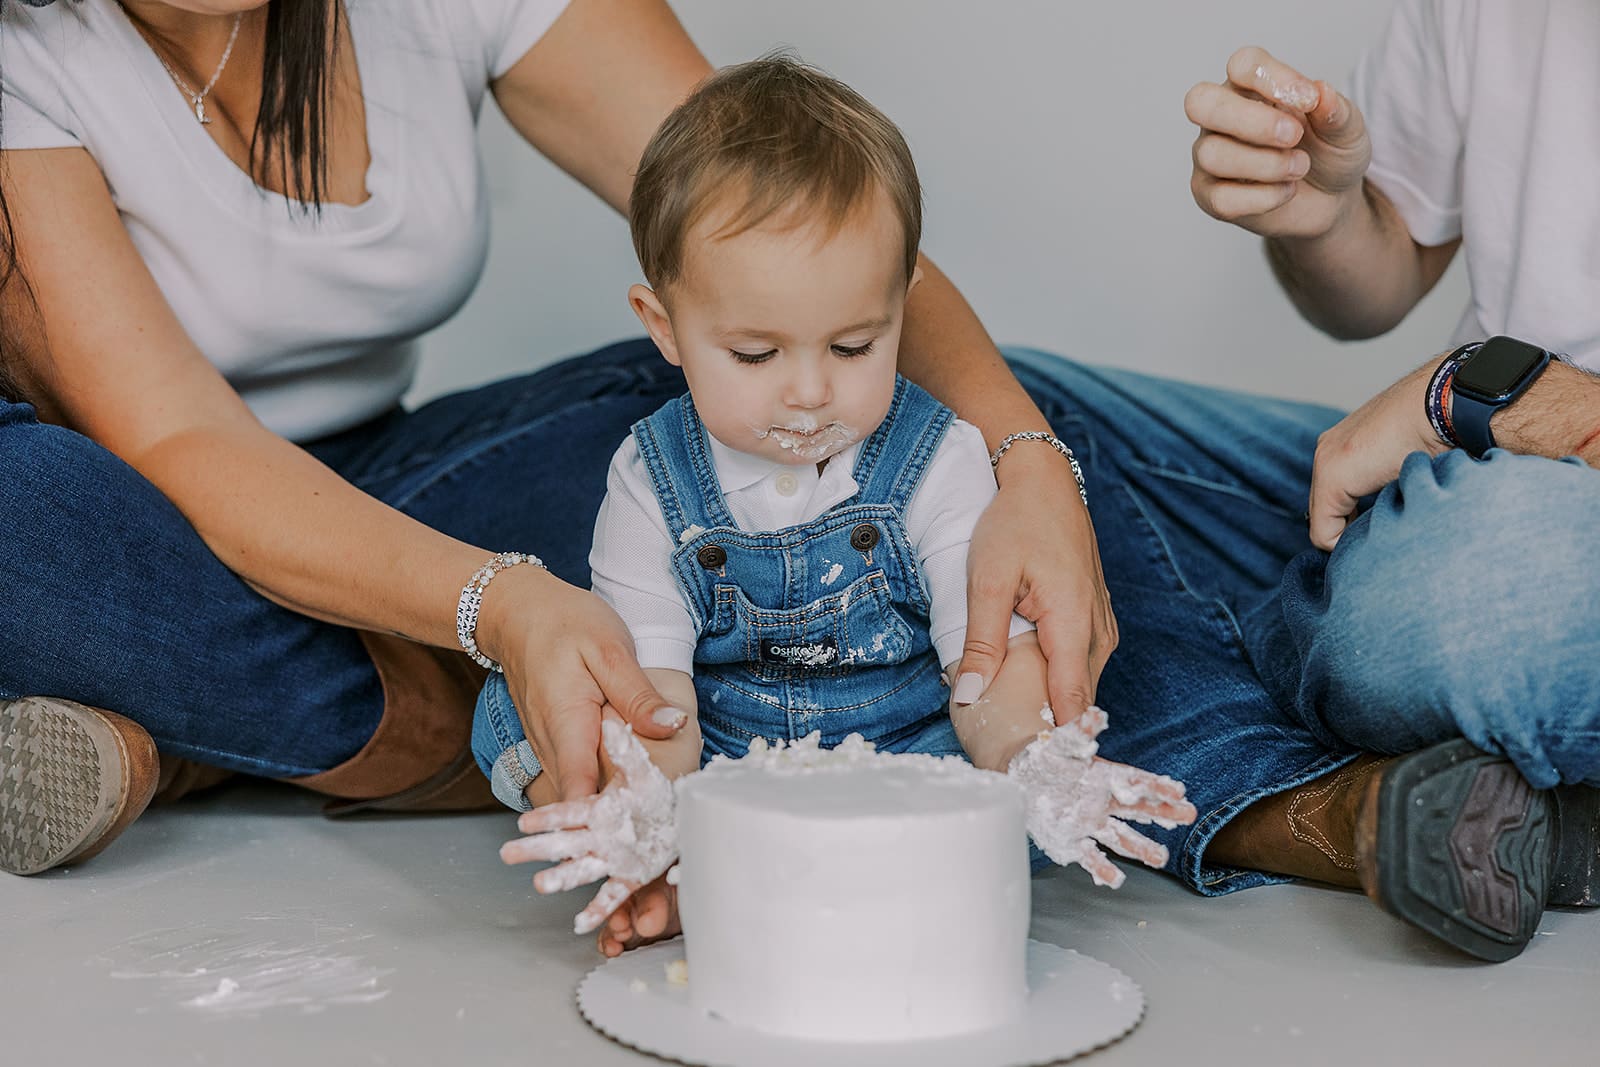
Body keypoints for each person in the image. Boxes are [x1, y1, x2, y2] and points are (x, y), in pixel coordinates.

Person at [0, 0, 1106, 881]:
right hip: (143, 508)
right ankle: (436, 730)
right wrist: (505, 605)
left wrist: (1023, 459)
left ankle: (208, 719)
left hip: (393, 485)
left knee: (712, 412)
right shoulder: (26, 49)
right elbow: (182, 437)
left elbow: (804, 220)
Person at [475, 56, 1196, 954]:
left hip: (906, 756)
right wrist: (656, 813)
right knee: (518, 710)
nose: (810, 392)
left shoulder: (938, 457)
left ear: (903, 307)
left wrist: (1030, 758)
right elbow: (656, 696)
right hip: (721, 760)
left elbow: (982, 666)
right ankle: (688, 870)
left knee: (1047, 719)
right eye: (754, 355)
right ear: (663, 326)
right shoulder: (648, 478)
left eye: (855, 344)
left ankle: (866, 873)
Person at [1175, 0, 1600, 960]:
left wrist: (1509, 398)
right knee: (1019, 429)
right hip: (1451, 490)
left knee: (1509, 581)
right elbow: (1381, 280)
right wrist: (1321, 217)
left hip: (1517, 542)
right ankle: (1503, 796)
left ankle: (1321, 796)